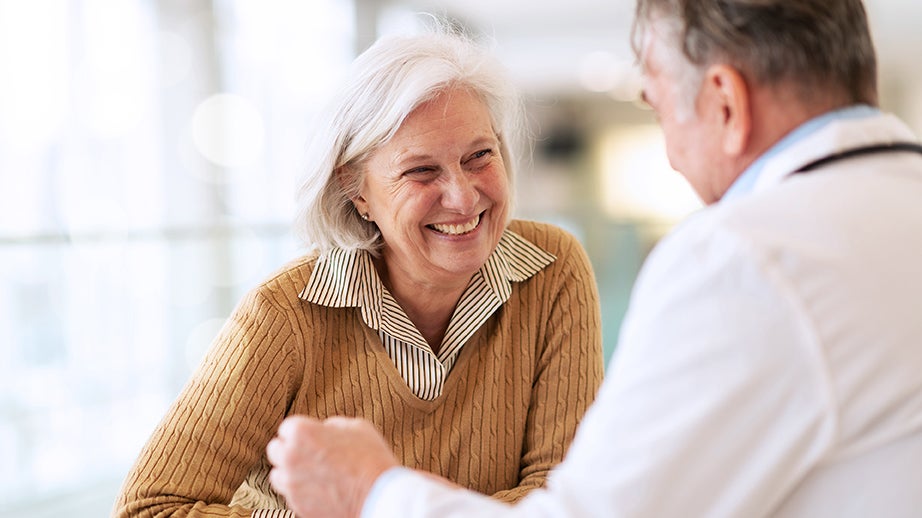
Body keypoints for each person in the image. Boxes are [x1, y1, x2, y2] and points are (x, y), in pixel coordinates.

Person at [264, 0, 922, 517]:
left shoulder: (746, 257)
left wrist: (375, 492)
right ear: (358, 190)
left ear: (726, 103)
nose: (670, 149)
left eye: (658, 105)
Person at [112, 26, 604, 518]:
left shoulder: (552, 270)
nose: (463, 196)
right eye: (421, 171)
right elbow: (150, 508)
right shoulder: (283, 315)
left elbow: (568, 497)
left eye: (479, 156)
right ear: (356, 190)